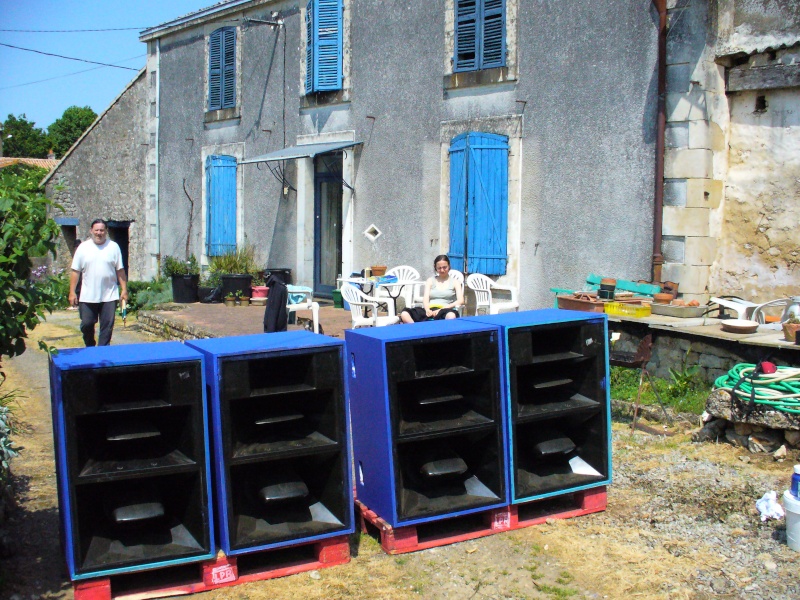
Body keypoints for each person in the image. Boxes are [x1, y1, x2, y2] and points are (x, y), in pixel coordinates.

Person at [69, 219, 128, 346]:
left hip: (109, 295)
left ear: (106, 231)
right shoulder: (83, 248)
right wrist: (72, 292)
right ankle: (90, 346)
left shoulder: (113, 247)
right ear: (91, 231)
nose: (99, 233)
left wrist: (124, 289)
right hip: (87, 296)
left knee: (107, 327)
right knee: (87, 324)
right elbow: (75, 272)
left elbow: (120, 270)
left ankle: (103, 352)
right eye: (96, 230)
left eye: (102, 230)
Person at [400, 254, 463, 323]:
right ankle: (416, 330)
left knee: (451, 316)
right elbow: (426, 298)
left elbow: (460, 300)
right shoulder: (430, 281)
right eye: (439, 268)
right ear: (435, 268)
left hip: (446, 310)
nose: (442, 270)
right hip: (430, 309)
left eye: (445, 267)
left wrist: (442, 309)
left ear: (449, 266)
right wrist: (427, 309)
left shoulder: (455, 282)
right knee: (405, 314)